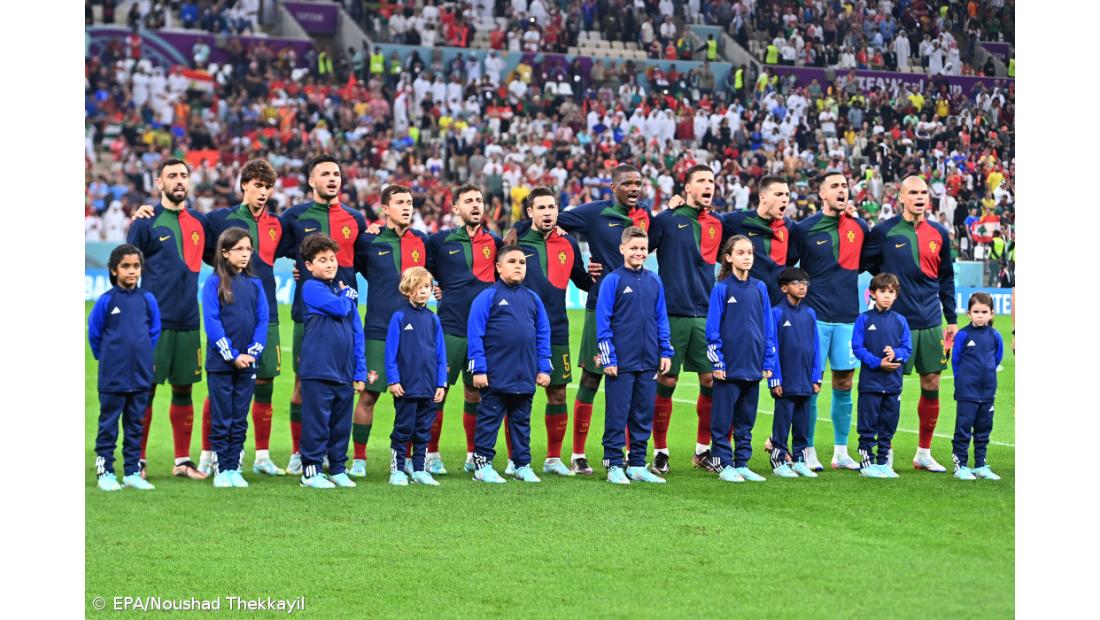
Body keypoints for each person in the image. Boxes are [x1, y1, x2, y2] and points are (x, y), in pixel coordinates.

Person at [508, 164, 650, 475]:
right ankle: (553, 456)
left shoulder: (644, 217)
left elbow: (579, 279)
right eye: (627, 182)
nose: (633, 187)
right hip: (550, 321)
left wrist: (591, 276)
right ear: (613, 187)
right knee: (519, 390)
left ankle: (557, 458)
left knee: (621, 382)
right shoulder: (592, 214)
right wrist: (517, 227)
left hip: (567, 324)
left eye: (637, 183)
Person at [281, 155, 368, 476]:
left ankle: (334, 456)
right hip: (309, 314)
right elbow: (273, 249)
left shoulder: (356, 219)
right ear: (311, 181)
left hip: (346, 314)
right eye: (325, 174)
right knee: (303, 382)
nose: (332, 178)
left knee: (342, 385)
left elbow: (365, 259)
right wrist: (299, 269)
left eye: (336, 173)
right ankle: (298, 453)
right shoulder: (294, 216)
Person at [863, 175, 956, 472]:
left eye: (923, 193)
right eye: (913, 192)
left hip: (930, 319)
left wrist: (952, 319)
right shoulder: (884, 231)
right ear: (901, 197)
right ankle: (885, 450)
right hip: (895, 322)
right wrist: (889, 285)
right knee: (889, 387)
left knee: (932, 383)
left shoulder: (939, 232)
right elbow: (867, 264)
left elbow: (946, 278)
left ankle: (923, 453)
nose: (919, 197)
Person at [126, 159, 209, 481]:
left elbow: (229, 251)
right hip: (153, 323)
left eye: (183, 175)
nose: (179, 180)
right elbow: (127, 271)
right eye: (172, 175)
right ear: (159, 183)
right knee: (145, 390)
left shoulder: (201, 222)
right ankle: (138, 460)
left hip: (189, 320)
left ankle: (183, 461)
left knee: (184, 388)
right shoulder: (145, 222)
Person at [789, 172, 868, 472]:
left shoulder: (860, 227)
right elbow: (786, 265)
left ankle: (841, 452)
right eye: (834, 186)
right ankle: (807, 449)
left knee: (845, 381)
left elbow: (868, 261)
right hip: (815, 317)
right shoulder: (804, 229)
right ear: (822, 193)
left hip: (848, 316)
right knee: (812, 383)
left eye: (844, 186)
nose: (841, 190)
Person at [349, 185, 430, 478]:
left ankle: (405, 458)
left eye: (409, 202)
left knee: (410, 399)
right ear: (385, 209)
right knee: (369, 395)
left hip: (413, 333)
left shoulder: (422, 241)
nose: (407, 207)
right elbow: (348, 268)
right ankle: (359, 459)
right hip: (378, 330)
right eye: (399, 202)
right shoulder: (368, 241)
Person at [646, 165, 722, 474]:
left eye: (711, 181)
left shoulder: (718, 223)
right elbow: (636, 246)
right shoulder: (667, 220)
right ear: (687, 187)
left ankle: (703, 450)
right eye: (701, 180)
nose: (708, 185)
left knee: (711, 380)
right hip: (672, 314)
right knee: (667, 380)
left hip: (706, 314)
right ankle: (660, 451)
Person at [515, 187, 592, 476]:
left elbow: (581, 279)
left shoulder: (568, 243)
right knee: (514, 394)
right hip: (519, 329)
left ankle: (553, 459)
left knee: (557, 393)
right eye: (541, 208)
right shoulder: (517, 240)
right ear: (530, 212)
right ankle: (514, 458)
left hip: (557, 328)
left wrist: (598, 277)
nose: (547, 213)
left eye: (552, 207)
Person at [426, 184, 503, 474]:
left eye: (479, 200)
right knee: (439, 391)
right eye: (468, 201)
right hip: (449, 328)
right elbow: (422, 269)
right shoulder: (439, 241)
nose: (475, 205)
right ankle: (431, 454)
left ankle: (473, 454)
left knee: (476, 393)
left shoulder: (495, 242)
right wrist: (434, 287)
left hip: (483, 332)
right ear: (456, 208)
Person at [466, 245, 553, 484]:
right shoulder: (488, 296)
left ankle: (521, 464)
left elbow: (543, 334)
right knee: (489, 421)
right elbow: (475, 333)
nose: (518, 266)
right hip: (496, 374)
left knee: (522, 423)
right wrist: (479, 368)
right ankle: (482, 465)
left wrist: (544, 367)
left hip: (524, 374)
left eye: (522, 262)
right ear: (498, 267)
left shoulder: (533, 298)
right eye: (512, 261)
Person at [595, 226, 673, 485]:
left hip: (648, 359)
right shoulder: (613, 280)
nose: (639, 252)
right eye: (634, 248)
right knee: (617, 414)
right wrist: (608, 357)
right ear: (622, 249)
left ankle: (638, 463)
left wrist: (665, 351)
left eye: (643, 248)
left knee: (643, 414)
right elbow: (603, 321)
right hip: (622, 361)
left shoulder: (654, 280)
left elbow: (661, 318)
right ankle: (613, 464)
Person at [88, 244, 161, 492]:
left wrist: (142, 355)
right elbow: (95, 334)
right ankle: (105, 472)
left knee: (135, 426)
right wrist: (110, 358)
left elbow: (154, 331)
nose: (132, 271)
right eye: (125, 266)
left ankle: (132, 472)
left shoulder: (147, 299)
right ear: (114, 270)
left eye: (136, 266)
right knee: (108, 426)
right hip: (113, 375)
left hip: (140, 375)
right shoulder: (107, 300)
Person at [705, 235, 777, 483]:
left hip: (753, 365)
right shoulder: (722, 288)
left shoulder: (760, 287)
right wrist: (717, 362)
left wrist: (768, 361)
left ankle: (742, 463)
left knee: (746, 420)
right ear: (728, 257)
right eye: (741, 253)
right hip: (729, 366)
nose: (747, 257)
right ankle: (722, 463)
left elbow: (768, 327)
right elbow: (712, 329)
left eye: (750, 253)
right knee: (722, 420)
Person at [297, 233, 366, 489]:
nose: (329, 264)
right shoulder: (311, 287)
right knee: (316, 424)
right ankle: (311, 471)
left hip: (344, 371)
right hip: (318, 369)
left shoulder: (341, 290)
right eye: (322, 260)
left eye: (332, 258)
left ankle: (337, 469)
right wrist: (347, 295)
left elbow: (357, 333)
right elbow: (339, 308)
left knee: (340, 426)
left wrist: (360, 371)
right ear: (309, 265)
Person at [202, 228, 269, 488]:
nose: (244, 254)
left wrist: (252, 353)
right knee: (222, 417)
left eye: (248, 249)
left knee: (240, 417)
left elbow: (263, 320)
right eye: (239, 249)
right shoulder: (213, 283)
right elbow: (212, 322)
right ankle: (222, 468)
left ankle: (235, 467)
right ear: (225, 252)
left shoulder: (255, 284)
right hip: (221, 364)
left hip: (247, 363)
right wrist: (231, 355)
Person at [384, 267, 448, 487]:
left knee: (423, 430)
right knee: (403, 429)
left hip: (429, 387)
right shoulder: (399, 317)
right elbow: (390, 352)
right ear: (408, 290)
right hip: (406, 386)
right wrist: (393, 380)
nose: (423, 291)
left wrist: (441, 383)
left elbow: (440, 354)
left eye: (427, 287)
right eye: (419, 287)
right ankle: (397, 470)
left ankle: (420, 470)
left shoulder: (433, 319)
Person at [851, 272, 911, 479]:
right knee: (868, 424)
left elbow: (907, 348)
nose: (886, 295)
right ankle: (866, 463)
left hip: (893, 384)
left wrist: (896, 355)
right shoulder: (864, 319)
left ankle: (883, 462)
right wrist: (878, 363)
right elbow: (857, 348)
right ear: (872, 293)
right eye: (882, 291)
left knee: (888, 424)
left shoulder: (901, 321)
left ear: (896, 295)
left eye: (891, 292)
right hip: (870, 383)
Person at [767, 267, 822, 479]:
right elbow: (772, 346)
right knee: (782, 422)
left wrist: (816, 377)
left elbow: (816, 348)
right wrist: (775, 378)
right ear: (784, 288)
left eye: (805, 283)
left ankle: (799, 460)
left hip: (805, 380)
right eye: (796, 283)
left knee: (802, 424)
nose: (802, 287)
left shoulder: (810, 314)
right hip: (786, 380)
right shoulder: (777, 313)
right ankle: (779, 460)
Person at [950, 292, 1004, 481]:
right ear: (968, 313)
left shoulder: (995, 335)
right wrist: (962, 382)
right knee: (963, 428)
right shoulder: (963, 335)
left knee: (983, 429)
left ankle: (980, 465)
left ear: (991, 314)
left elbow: (997, 358)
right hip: (967, 392)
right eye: (976, 312)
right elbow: (956, 361)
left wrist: (987, 377)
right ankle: (960, 466)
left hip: (987, 392)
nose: (980, 315)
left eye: (984, 312)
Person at [722, 175, 795, 305]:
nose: (784, 199)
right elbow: (709, 221)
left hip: (776, 306)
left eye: (787, 195)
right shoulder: (737, 221)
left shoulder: (789, 226)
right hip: (745, 303)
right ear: (763, 197)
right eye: (778, 194)